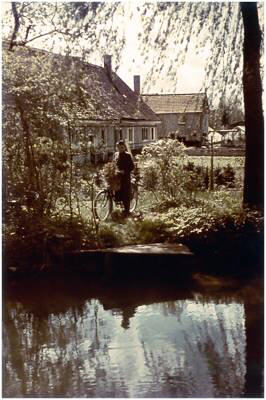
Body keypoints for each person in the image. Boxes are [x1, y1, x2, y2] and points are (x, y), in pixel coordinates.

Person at [113, 140, 135, 217]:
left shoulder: (127, 155)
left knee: (125, 193)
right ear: (117, 148)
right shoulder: (116, 154)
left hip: (125, 177)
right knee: (117, 193)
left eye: (121, 147)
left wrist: (125, 171)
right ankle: (118, 209)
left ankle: (127, 211)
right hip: (117, 177)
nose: (120, 149)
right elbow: (114, 164)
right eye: (118, 147)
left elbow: (132, 167)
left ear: (124, 147)